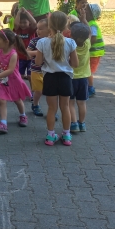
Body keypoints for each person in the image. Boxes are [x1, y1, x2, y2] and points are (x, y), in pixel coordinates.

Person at [34, 11, 79, 146]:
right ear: (66, 25)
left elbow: (38, 62)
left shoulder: (42, 42)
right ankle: (66, 136)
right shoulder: (70, 42)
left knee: (51, 109)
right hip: (65, 78)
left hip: (50, 79)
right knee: (65, 107)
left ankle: (50, 136)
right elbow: (76, 64)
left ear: (49, 26)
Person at [0, 29, 31, 133]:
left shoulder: (13, 54)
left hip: (13, 81)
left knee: (17, 100)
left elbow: (11, 70)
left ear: (6, 42)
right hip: (3, 81)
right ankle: (3, 124)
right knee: (2, 100)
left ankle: (23, 116)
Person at [72, 0, 104, 97]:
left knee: (88, 71)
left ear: (91, 14)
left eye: (86, 11)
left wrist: (85, 45)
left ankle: (90, 88)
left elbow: (92, 38)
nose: (84, 11)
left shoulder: (93, 25)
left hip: (95, 52)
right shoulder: (88, 23)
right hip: (91, 52)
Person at [68, 22, 91, 133]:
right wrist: (84, 19)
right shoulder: (87, 44)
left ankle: (74, 124)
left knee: (70, 102)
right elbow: (90, 33)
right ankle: (82, 124)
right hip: (84, 79)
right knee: (82, 103)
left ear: (71, 35)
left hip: (71, 78)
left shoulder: (70, 45)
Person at [26, 18, 49, 117]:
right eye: (37, 28)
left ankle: (52, 110)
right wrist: (39, 52)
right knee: (38, 91)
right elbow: (27, 53)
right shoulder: (34, 41)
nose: (38, 31)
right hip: (36, 71)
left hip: (49, 71)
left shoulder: (52, 41)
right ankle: (35, 104)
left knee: (50, 93)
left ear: (49, 29)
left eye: (41, 29)